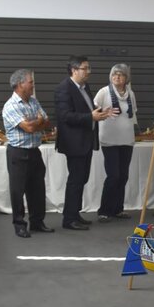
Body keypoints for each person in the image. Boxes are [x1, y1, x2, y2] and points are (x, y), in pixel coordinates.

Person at [54, 55, 113, 230]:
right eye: (85, 68)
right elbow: (65, 116)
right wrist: (91, 117)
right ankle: (69, 219)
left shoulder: (85, 87)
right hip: (74, 143)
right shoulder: (64, 88)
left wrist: (100, 112)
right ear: (74, 70)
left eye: (89, 68)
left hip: (85, 141)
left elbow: (86, 110)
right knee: (75, 180)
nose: (88, 71)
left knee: (81, 179)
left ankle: (75, 214)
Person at [2, 69, 53, 237]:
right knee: (18, 191)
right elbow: (30, 127)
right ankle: (19, 225)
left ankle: (37, 222)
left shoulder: (33, 101)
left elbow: (47, 122)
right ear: (20, 84)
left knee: (37, 189)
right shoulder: (10, 106)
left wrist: (37, 122)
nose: (33, 85)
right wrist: (38, 121)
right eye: (30, 82)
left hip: (34, 152)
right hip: (18, 153)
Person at [93, 63, 138, 222]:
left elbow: (133, 114)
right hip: (109, 140)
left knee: (123, 176)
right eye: (114, 74)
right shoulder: (103, 92)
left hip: (127, 140)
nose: (117, 77)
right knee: (113, 175)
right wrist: (104, 113)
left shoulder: (130, 93)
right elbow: (94, 111)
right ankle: (104, 211)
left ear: (126, 78)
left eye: (120, 74)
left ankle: (118, 209)